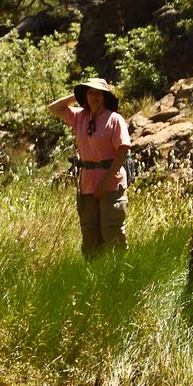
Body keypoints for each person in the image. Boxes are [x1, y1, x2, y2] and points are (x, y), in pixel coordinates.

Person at [47, 77, 131, 256]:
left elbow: (122, 153)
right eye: (91, 93)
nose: (94, 96)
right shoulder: (80, 117)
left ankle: (120, 269)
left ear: (105, 96)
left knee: (112, 232)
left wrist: (105, 183)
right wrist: (77, 96)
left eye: (98, 93)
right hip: (87, 184)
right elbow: (53, 108)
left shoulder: (114, 119)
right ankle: (94, 271)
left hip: (111, 184)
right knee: (90, 235)